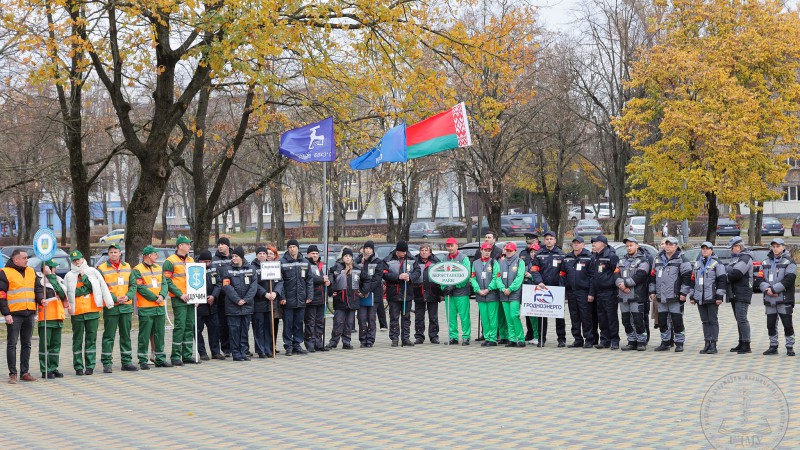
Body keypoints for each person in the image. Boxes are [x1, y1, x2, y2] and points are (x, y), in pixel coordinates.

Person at [65, 250, 114, 376]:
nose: (77, 262)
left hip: (92, 311)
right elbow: (68, 293)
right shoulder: (69, 276)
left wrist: (109, 302)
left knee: (91, 339)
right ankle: (78, 366)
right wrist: (84, 290)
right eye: (74, 260)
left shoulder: (92, 271)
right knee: (77, 340)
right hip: (77, 312)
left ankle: (90, 366)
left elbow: (101, 286)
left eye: (79, 259)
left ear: (83, 258)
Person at [1, 248, 43, 383]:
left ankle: (25, 372)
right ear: (16, 259)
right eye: (24, 258)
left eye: (27, 258)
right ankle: (12, 373)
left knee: (27, 344)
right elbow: (1, 295)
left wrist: (41, 299)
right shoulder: (5, 273)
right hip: (14, 314)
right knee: (12, 344)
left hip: (29, 312)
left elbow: (37, 289)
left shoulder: (31, 271)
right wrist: (6, 313)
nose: (27, 260)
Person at [98, 243, 139, 373]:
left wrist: (128, 296)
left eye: (116, 252)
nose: (113, 254)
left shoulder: (127, 267)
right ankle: (107, 363)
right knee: (109, 335)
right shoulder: (101, 268)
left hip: (126, 307)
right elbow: (101, 288)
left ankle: (126, 361)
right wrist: (115, 298)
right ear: (108, 254)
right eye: (111, 252)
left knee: (126, 335)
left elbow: (133, 285)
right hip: (111, 307)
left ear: (120, 253)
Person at [649, 236, 692, 353]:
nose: (667, 246)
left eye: (670, 244)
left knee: (677, 321)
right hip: (661, 297)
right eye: (666, 244)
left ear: (676, 246)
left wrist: (684, 293)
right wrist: (652, 291)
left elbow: (687, 278)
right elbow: (652, 276)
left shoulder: (682, 259)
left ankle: (679, 343)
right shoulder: (657, 259)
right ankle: (665, 342)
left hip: (675, 297)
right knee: (662, 321)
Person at [133, 246, 173, 369]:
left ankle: (160, 358)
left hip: (159, 307)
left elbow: (165, 284)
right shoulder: (137, 270)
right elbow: (140, 287)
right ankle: (142, 360)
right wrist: (155, 297)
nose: (157, 256)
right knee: (144, 335)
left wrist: (162, 295)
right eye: (155, 254)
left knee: (159, 334)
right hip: (146, 307)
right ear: (148, 255)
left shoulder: (158, 268)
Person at [755, 238, 796, 356]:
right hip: (769, 299)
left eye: (778, 246)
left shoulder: (789, 262)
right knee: (771, 324)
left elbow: (789, 279)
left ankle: (790, 346)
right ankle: (773, 346)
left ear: (783, 247)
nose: (775, 248)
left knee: (787, 325)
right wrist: (767, 289)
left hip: (784, 299)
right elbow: (759, 278)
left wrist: (773, 289)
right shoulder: (765, 262)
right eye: (773, 246)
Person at [163, 235, 197, 366]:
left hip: (191, 298)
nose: (189, 246)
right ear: (180, 246)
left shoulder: (191, 260)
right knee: (180, 326)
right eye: (187, 244)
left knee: (189, 326)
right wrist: (179, 294)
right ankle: (176, 356)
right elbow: (167, 281)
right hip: (179, 299)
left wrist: (197, 296)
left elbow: (196, 279)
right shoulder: (170, 261)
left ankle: (187, 355)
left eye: (189, 244)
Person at [689, 242, 726, 354]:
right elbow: (692, 281)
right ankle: (707, 342)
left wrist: (719, 296)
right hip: (700, 298)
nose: (704, 250)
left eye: (707, 249)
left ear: (711, 250)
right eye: (703, 249)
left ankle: (713, 344)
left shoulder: (717, 263)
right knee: (704, 321)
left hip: (712, 297)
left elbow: (722, 280)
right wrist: (692, 296)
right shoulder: (697, 263)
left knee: (713, 321)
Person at [531, 231, 566, 347]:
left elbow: (564, 271)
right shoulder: (539, 254)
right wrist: (539, 282)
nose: (549, 241)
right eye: (547, 239)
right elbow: (535, 270)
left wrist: (561, 284)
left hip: (557, 289)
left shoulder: (561, 254)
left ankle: (561, 339)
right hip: (543, 288)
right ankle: (542, 338)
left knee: (559, 315)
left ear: (555, 240)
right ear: (544, 241)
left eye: (551, 239)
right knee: (542, 315)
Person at [615, 237, 651, 351]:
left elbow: (640, 276)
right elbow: (616, 274)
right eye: (627, 246)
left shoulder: (643, 261)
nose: (629, 248)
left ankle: (641, 341)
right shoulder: (621, 261)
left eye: (631, 245)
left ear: (637, 246)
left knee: (638, 320)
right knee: (626, 320)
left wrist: (625, 284)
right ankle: (631, 341)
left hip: (637, 295)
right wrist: (621, 285)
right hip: (623, 295)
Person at [279, 239, 314, 356]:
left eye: (294, 246)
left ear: (298, 248)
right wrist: (282, 297)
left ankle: (297, 345)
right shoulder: (282, 262)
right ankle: (288, 346)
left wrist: (309, 295)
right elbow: (280, 282)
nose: (292, 249)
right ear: (288, 249)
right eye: (290, 247)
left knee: (298, 323)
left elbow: (309, 280)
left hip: (301, 298)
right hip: (288, 300)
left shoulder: (305, 262)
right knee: (288, 323)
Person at [222, 246, 257, 361]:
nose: (234, 258)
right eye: (232, 256)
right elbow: (227, 286)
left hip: (247, 306)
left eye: (236, 256)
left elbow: (253, 287)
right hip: (233, 306)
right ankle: (236, 353)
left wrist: (245, 300)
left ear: (241, 257)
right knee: (234, 330)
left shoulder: (251, 269)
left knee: (244, 330)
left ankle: (244, 352)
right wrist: (237, 300)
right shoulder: (227, 270)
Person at [383, 241, 421, 347]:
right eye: (401, 252)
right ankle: (394, 338)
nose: (403, 254)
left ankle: (406, 338)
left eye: (404, 252)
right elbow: (384, 274)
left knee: (406, 317)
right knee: (394, 317)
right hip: (393, 293)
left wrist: (411, 277)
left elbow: (417, 271)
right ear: (397, 250)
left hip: (407, 293)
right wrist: (397, 277)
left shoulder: (412, 259)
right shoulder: (388, 259)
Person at [588, 236, 620, 350]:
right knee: (601, 317)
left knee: (611, 317)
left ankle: (614, 340)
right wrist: (591, 293)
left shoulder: (611, 256)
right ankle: (604, 340)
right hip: (598, 292)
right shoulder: (594, 256)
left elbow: (616, 273)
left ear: (603, 244)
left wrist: (611, 284)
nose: (593, 244)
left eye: (596, 242)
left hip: (609, 291)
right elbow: (593, 276)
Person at [38, 260, 69, 378]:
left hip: (57, 316)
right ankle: (45, 369)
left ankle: (53, 367)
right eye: (53, 268)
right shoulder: (39, 281)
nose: (56, 270)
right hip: (46, 317)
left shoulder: (57, 279)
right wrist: (49, 275)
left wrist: (51, 276)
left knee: (55, 345)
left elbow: (61, 293)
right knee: (45, 345)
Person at [561, 237, 594, 348]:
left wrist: (591, 293)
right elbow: (562, 274)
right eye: (574, 243)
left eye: (578, 243)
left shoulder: (589, 257)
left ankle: (589, 339)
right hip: (571, 292)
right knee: (574, 316)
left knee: (585, 316)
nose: (575, 245)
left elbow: (592, 277)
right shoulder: (567, 258)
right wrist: (564, 286)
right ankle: (577, 339)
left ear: (583, 245)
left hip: (583, 292)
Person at [326, 248, 361, 349]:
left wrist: (362, 291)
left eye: (349, 256)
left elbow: (365, 279)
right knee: (338, 321)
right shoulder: (335, 268)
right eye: (346, 256)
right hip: (340, 299)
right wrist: (332, 291)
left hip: (352, 299)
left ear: (352, 258)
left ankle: (347, 341)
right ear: (342, 257)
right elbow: (330, 281)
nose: (347, 258)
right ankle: (333, 341)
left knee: (349, 323)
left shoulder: (357, 268)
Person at [252, 245, 282, 358]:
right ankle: (261, 350)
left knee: (269, 326)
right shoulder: (253, 267)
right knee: (259, 327)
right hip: (259, 301)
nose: (262, 255)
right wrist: (264, 293)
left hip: (271, 302)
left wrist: (275, 292)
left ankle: (269, 349)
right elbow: (254, 284)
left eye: (264, 254)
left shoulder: (273, 265)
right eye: (260, 254)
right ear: (257, 255)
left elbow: (280, 281)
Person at [725, 237, 753, 354]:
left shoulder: (745, 258)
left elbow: (736, 273)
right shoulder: (736, 258)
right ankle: (741, 342)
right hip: (735, 291)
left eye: (732, 248)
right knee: (738, 318)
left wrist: (725, 276)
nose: (731, 250)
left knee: (742, 318)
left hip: (743, 291)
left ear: (738, 247)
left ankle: (746, 344)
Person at [475, 231, 503, 342]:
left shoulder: (494, 261)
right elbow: (473, 277)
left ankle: (493, 337)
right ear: (481, 250)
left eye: (488, 251)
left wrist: (488, 289)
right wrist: (478, 289)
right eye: (485, 250)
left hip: (491, 294)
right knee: (485, 318)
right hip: (480, 294)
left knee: (492, 317)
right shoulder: (476, 262)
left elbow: (496, 277)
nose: (487, 252)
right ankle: (486, 336)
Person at [356, 241, 385, 348]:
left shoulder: (378, 262)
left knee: (371, 318)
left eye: (370, 248)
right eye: (366, 248)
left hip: (373, 294)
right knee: (362, 318)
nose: (368, 250)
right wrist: (361, 291)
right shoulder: (358, 261)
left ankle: (370, 340)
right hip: (361, 295)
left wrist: (366, 290)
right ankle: (363, 340)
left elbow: (377, 279)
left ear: (373, 250)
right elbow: (355, 278)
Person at [443, 237, 472, 345]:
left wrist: (454, 285)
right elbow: (440, 275)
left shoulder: (464, 258)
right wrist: (444, 287)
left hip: (461, 292)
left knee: (464, 316)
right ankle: (453, 337)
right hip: (449, 293)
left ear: (457, 246)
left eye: (452, 245)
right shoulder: (445, 258)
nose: (450, 248)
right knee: (450, 316)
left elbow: (466, 275)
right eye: (448, 246)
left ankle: (466, 336)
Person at [497, 242, 526, 347]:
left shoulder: (519, 262)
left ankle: (520, 338)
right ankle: (512, 339)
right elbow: (497, 277)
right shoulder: (501, 262)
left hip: (514, 294)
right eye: (507, 250)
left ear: (515, 251)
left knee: (514, 316)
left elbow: (519, 278)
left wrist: (510, 289)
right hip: (504, 293)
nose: (508, 252)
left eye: (511, 251)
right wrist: (502, 288)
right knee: (508, 317)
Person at [195, 250, 222, 360]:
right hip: (199, 305)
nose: (206, 264)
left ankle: (215, 352)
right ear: (200, 260)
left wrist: (214, 296)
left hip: (211, 305)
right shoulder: (193, 268)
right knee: (197, 330)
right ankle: (202, 352)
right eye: (204, 261)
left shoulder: (214, 268)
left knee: (214, 329)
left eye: (208, 261)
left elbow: (218, 283)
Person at [413, 244, 442, 344]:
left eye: (426, 250)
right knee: (419, 316)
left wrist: (441, 293)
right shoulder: (414, 261)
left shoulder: (436, 261)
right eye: (422, 250)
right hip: (418, 292)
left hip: (432, 291)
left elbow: (441, 277)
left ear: (430, 252)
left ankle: (434, 336)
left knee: (433, 316)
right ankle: (419, 336)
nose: (424, 252)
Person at [305, 245, 330, 352]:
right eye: (312, 253)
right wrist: (322, 279)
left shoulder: (323, 265)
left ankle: (318, 343)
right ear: (308, 254)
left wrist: (329, 281)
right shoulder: (306, 264)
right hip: (311, 298)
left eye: (316, 253)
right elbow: (309, 278)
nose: (315, 255)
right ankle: (309, 343)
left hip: (322, 298)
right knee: (310, 322)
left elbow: (329, 277)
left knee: (320, 322)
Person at [212, 237, 233, 356]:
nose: (220, 246)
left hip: (233, 296)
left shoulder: (234, 257)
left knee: (234, 323)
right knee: (222, 324)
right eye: (219, 244)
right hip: (220, 297)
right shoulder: (214, 260)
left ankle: (238, 346)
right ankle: (226, 348)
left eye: (223, 244)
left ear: (228, 246)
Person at [520, 232, 541, 344]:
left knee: (536, 314)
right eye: (531, 252)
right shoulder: (527, 258)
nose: (533, 254)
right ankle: (533, 334)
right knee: (529, 314)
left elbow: (541, 275)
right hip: (527, 289)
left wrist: (531, 275)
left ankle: (538, 336)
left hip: (536, 290)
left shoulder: (540, 261)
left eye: (535, 252)